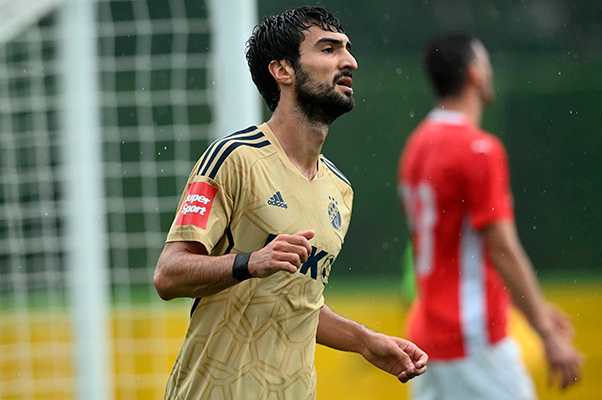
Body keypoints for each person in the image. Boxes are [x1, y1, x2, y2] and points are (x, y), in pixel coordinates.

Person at [153, 6, 427, 400]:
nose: (349, 61)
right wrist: (250, 261)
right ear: (282, 70)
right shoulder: (234, 158)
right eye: (328, 49)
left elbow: (298, 303)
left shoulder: (339, 190)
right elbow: (168, 274)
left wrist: (364, 341)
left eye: (347, 49)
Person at [397, 33, 583, 400]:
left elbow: (458, 250)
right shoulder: (479, 149)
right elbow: (502, 249)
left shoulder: (416, 145)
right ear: (475, 74)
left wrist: (534, 309)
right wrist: (546, 333)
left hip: (426, 339)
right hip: (474, 339)